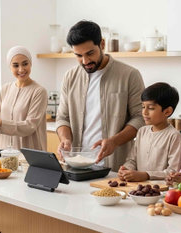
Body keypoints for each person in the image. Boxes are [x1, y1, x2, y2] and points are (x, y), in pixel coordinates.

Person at [56, 20, 145, 171]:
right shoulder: (70, 77)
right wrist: (65, 139)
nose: (85, 61)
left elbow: (140, 117)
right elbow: (63, 117)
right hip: (78, 165)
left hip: (115, 167)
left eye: (90, 53)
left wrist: (114, 141)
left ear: (102, 44)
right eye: (78, 55)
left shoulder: (130, 75)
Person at [0, 46, 48, 150]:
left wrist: (0, 123)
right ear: (10, 67)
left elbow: (29, 126)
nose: (21, 69)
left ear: (31, 64)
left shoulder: (39, 91)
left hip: (30, 154)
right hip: (5, 152)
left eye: (25, 64)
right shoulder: (5, 89)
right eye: (15, 65)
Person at [118, 83, 181, 182]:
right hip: (138, 188)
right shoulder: (142, 131)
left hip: (161, 190)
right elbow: (132, 160)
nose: (144, 112)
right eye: (143, 107)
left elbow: (172, 172)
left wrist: (146, 175)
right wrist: (126, 169)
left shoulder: (174, 136)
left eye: (150, 108)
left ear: (167, 111)